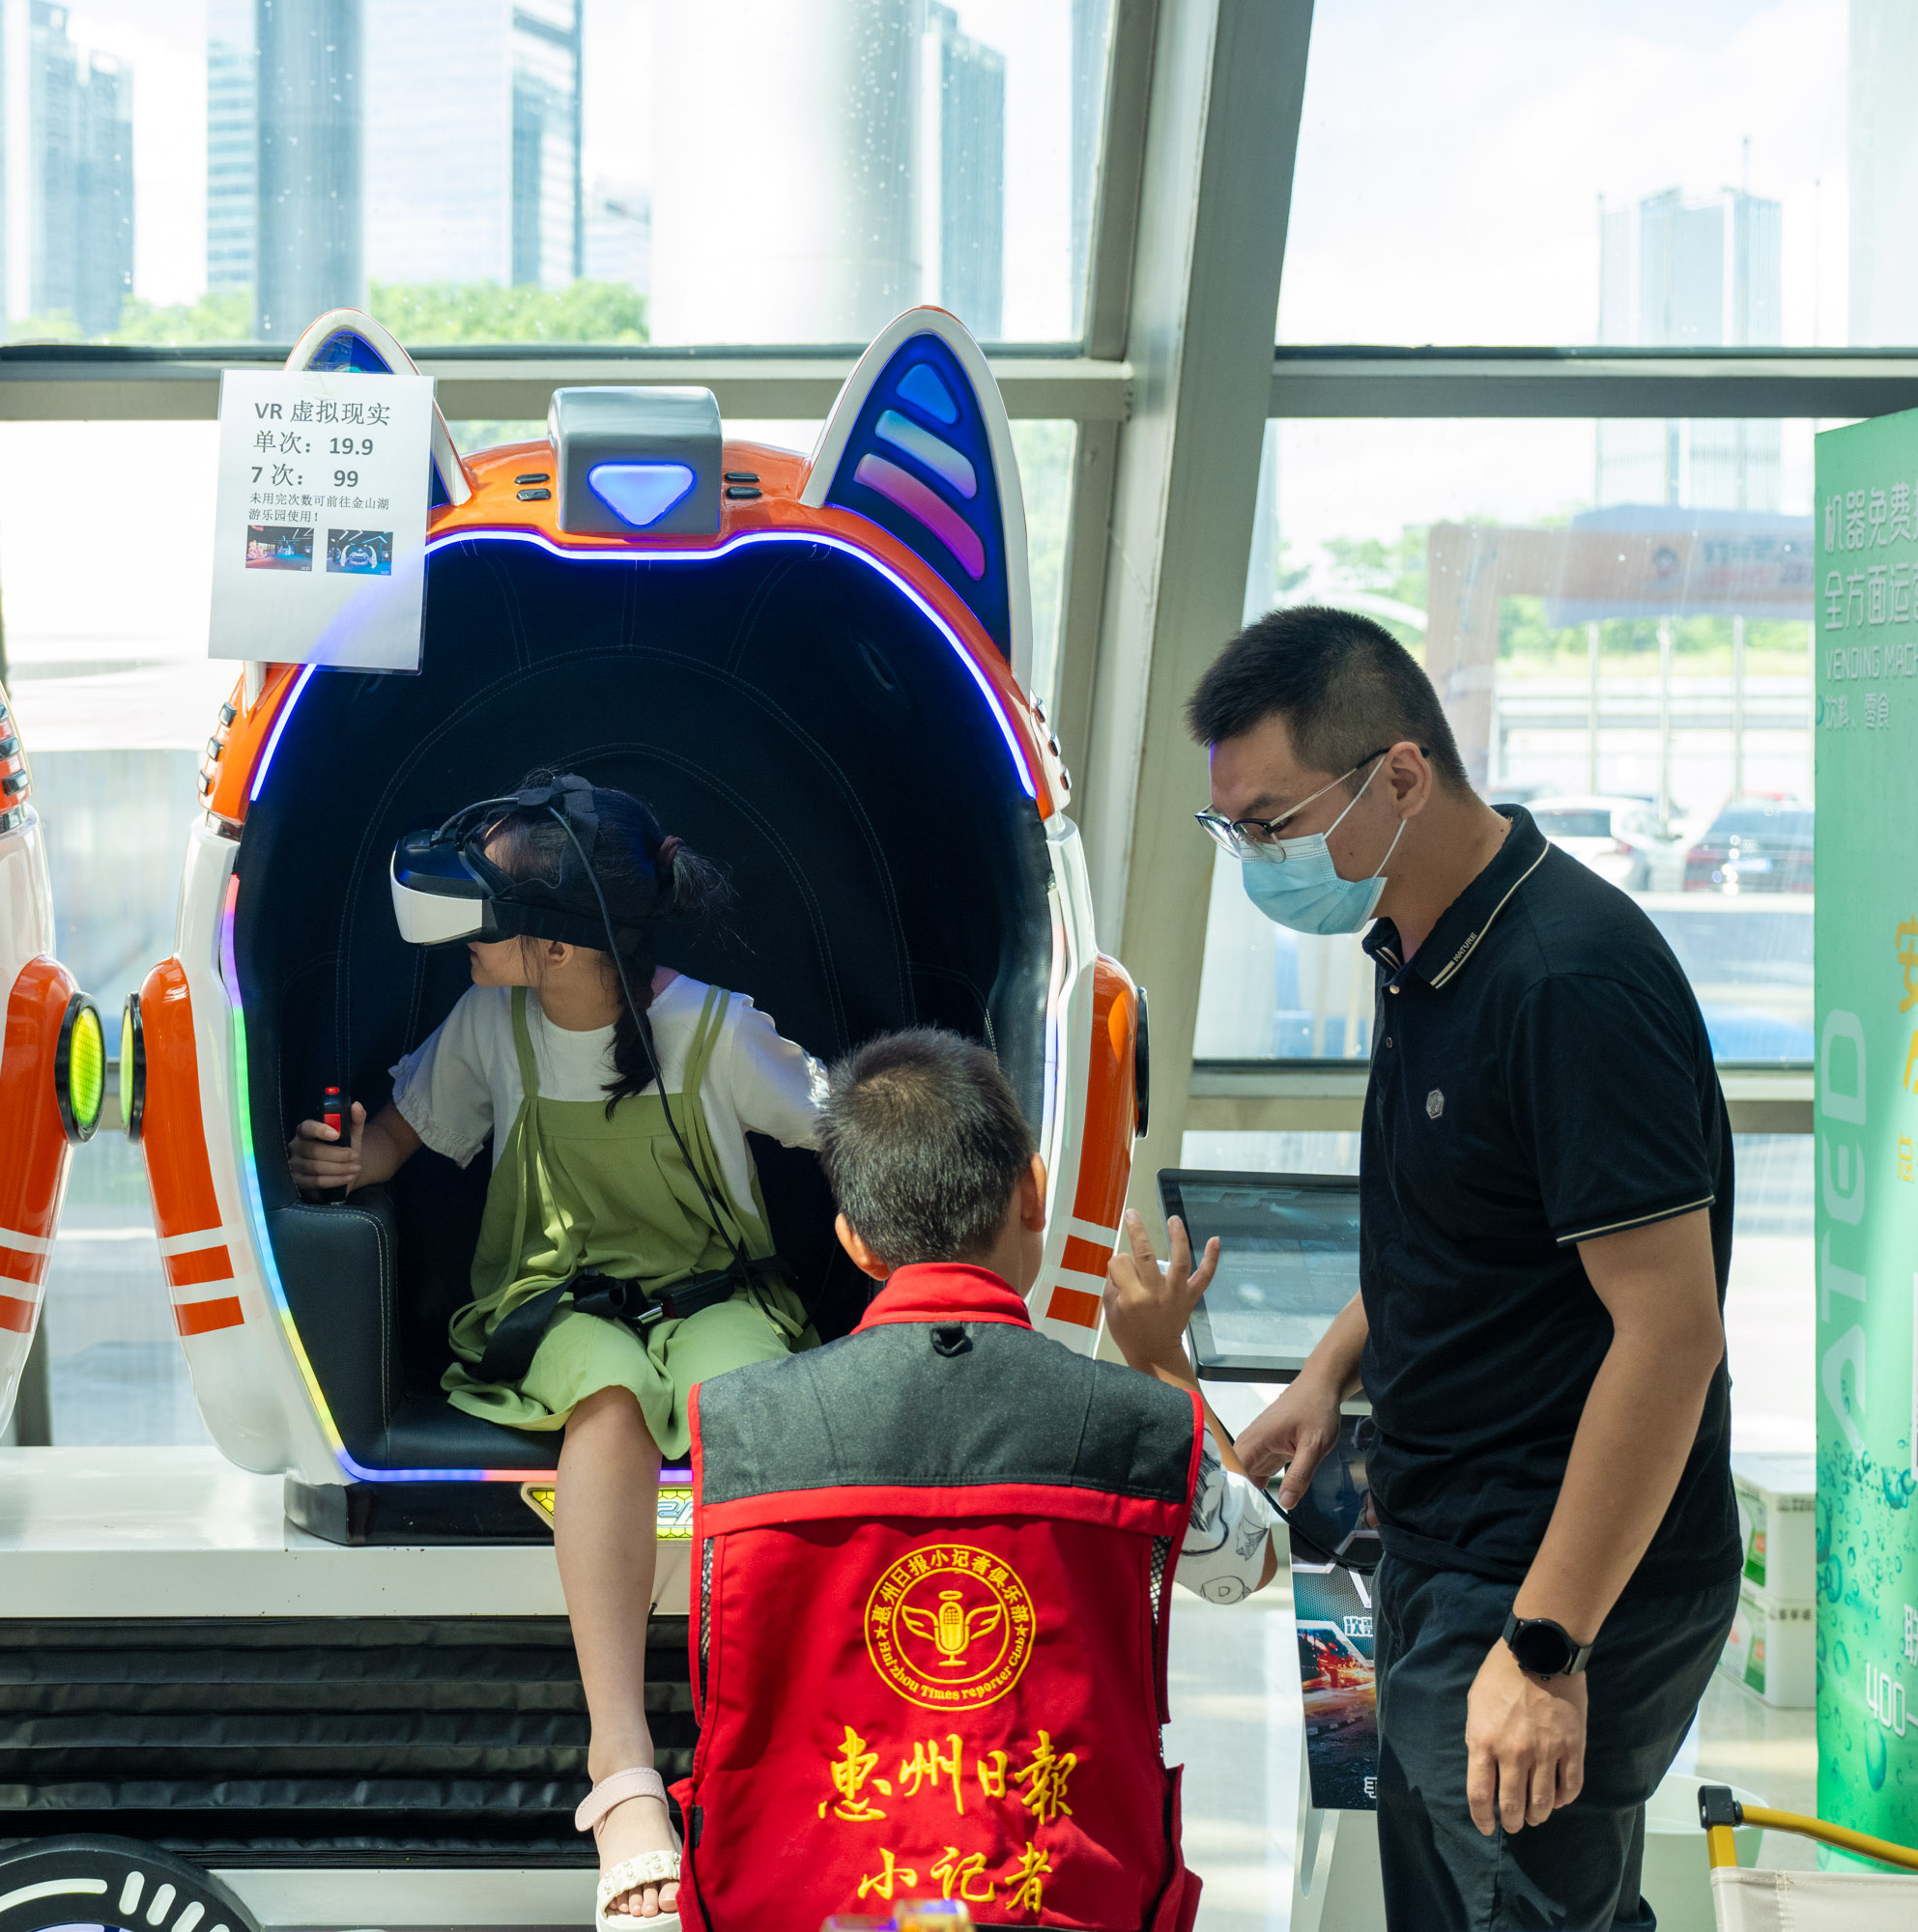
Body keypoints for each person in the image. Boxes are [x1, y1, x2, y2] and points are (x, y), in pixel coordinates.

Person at [1190, 608, 1737, 1930]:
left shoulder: (1566, 982)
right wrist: (1329, 1372)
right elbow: (1465, 1224)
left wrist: (1545, 1645)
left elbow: (1671, 1334)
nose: (1258, 860)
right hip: (1451, 1545)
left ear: (1399, 775)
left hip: (1552, 1569)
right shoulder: (1423, 948)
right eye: (1233, 831)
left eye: (1271, 823)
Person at [286, 775, 816, 1931]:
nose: (463, 934)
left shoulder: (719, 1029)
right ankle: (621, 1765)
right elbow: (400, 1138)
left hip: (714, 1290)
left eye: (486, 913)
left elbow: (840, 1126)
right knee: (609, 1394)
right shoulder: (491, 1023)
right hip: (551, 1300)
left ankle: (771, 1742)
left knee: (742, 1399)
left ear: (559, 948)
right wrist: (346, 1159)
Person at [675, 1027, 1280, 1931]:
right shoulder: (1135, 1425)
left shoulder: (739, 1427)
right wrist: (1162, 1362)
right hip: (1058, 1904)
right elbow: (1249, 1561)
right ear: (1033, 1192)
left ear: (856, 1242)